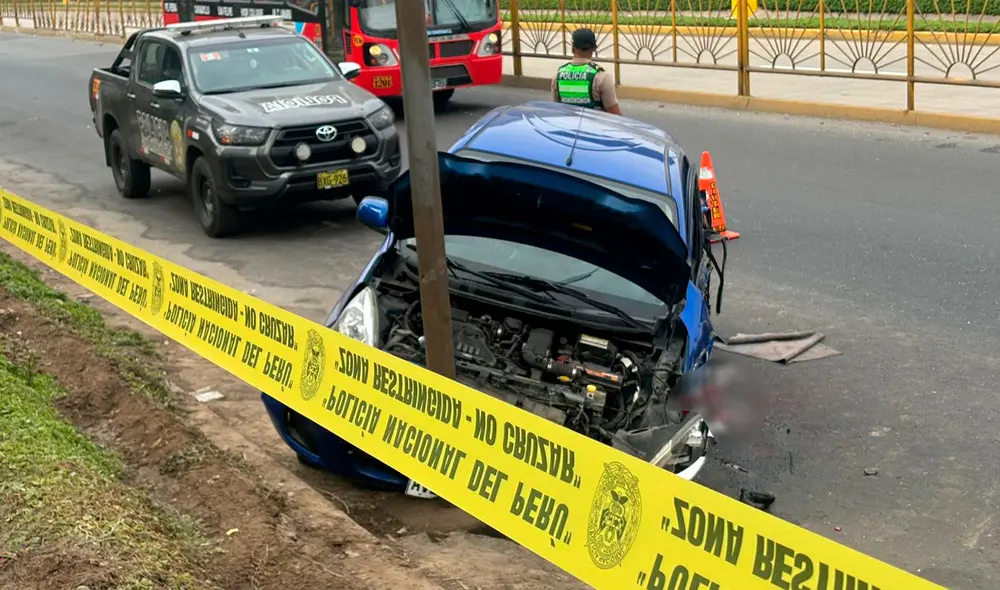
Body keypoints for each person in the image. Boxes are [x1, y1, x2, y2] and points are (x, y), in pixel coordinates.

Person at [551, 28, 621, 115]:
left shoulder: (558, 75)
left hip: (568, 126)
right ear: (594, 48)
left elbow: (557, 108)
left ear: (572, 47)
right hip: (593, 127)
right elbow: (614, 114)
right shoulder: (601, 76)